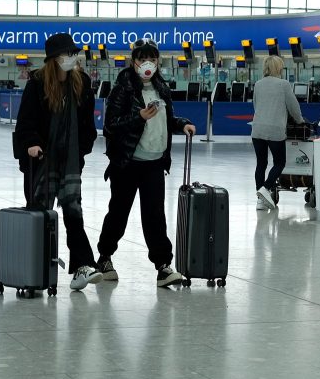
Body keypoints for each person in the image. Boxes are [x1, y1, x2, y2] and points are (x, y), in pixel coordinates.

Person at [96, 39, 195, 288]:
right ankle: (104, 257)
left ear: (158, 61)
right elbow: (110, 126)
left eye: (152, 58)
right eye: (141, 59)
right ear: (133, 61)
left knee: (155, 215)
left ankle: (163, 266)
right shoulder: (123, 88)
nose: (147, 63)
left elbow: (166, 118)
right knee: (119, 213)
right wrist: (138, 116)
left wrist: (182, 123)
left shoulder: (161, 87)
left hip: (154, 163)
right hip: (127, 163)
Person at [15, 32, 101, 292]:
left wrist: (82, 149)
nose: (72, 58)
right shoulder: (38, 83)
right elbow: (26, 122)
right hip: (41, 161)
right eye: (67, 54)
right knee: (41, 214)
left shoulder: (81, 83)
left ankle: (83, 266)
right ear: (54, 59)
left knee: (73, 212)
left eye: (73, 53)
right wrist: (31, 143)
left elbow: (87, 123)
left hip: (70, 162)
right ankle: (35, 269)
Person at [250, 55, 304, 210]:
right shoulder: (283, 84)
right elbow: (293, 107)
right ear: (278, 68)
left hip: (257, 128)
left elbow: (255, 105)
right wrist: (300, 120)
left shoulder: (258, 84)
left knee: (261, 163)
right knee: (279, 162)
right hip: (275, 129)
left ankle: (260, 201)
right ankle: (265, 189)